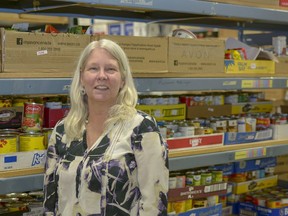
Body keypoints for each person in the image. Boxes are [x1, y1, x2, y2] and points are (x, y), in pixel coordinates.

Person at [43, 38, 169, 215]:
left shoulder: (142, 128)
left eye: (110, 69)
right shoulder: (63, 131)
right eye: (93, 68)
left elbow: (154, 204)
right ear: (81, 77)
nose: (101, 76)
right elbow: (50, 202)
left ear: (123, 79)